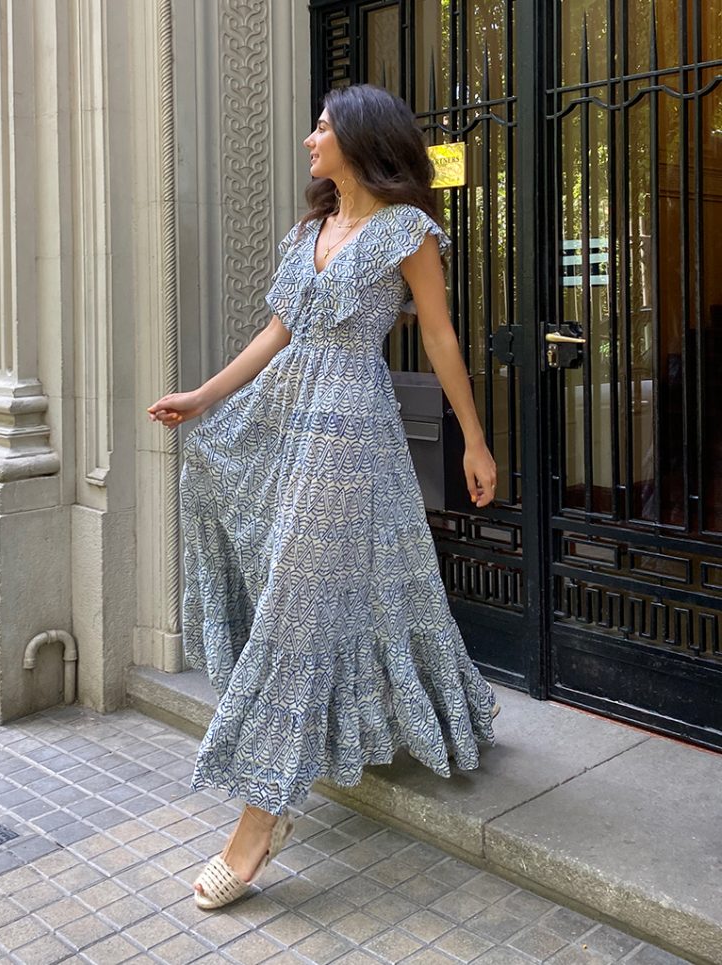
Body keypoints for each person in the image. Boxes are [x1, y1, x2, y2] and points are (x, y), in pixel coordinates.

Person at [147, 84, 499, 910]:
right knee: (321, 592)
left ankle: (258, 822)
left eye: (322, 126)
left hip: (350, 427)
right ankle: (425, 713)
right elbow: (276, 332)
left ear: (361, 139)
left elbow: (442, 337)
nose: (309, 138)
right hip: (285, 420)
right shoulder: (308, 231)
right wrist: (203, 397)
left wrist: (475, 439)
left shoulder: (406, 230)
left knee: (298, 608)